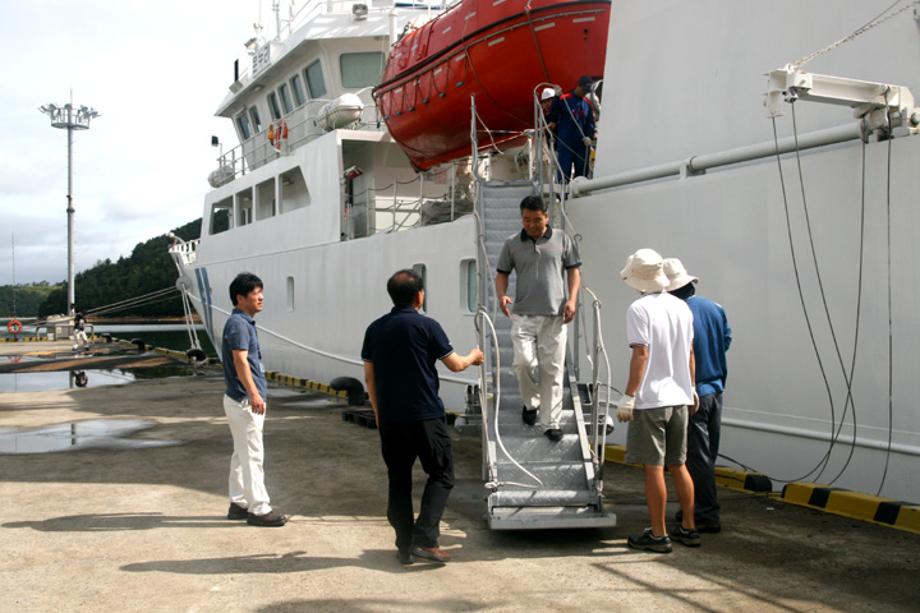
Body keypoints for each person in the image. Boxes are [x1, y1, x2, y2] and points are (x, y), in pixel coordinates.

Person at [362, 269, 483, 566]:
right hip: (425, 416)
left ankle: (405, 546)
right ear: (419, 295)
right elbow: (455, 365)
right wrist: (474, 356)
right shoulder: (427, 326)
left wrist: (380, 416)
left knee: (399, 480)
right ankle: (426, 539)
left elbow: (369, 377)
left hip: (391, 419)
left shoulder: (375, 329)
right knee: (441, 475)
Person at [617, 248, 699, 553]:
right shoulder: (682, 308)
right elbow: (690, 353)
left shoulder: (639, 309)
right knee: (679, 465)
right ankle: (689, 527)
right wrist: (691, 388)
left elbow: (641, 353)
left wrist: (629, 395)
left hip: (651, 399)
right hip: (680, 397)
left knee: (653, 467)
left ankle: (658, 533)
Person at [495, 195, 581, 442]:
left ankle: (551, 422)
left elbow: (574, 271)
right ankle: (530, 402)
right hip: (522, 315)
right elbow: (502, 274)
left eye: (536, 220)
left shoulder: (562, 239)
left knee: (552, 369)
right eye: (526, 219)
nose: (531, 224)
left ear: (547, 217)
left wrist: (572, 300)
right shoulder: (511, 243)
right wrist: (502, 296)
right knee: (523, 363)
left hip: (555, 315)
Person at [664, 258, 731, 533]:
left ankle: (704, 514)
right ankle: (696, 507)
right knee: (708, 454)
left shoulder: (678, 315)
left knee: (695, 457)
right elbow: (725, 341)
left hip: (692, 394)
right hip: (715, 390)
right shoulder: (715, 308)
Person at [221, 272, 286, 527]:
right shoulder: (239, 324)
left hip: (239, 399)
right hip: (244, 401)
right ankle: (259, 509)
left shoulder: (242, 322)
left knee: (241, 452)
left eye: (261, 292)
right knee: (252, 455)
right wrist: (254, 393)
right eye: (255, 293)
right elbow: (240, 359)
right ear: (240, 298)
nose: (260, 297)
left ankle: (238, 503)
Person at [553, 75, 596, 181]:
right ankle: (563, 196)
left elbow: (590, 123)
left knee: (582, 175)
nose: (584, 93)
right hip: (566, 144)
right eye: (583, 90)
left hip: (581, 144)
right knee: (564, 174)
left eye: (586, 91)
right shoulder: (565, 99)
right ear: (579, 86)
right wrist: (556, 97)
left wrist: (589, 137)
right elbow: (553, 114)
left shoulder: (587, 103)